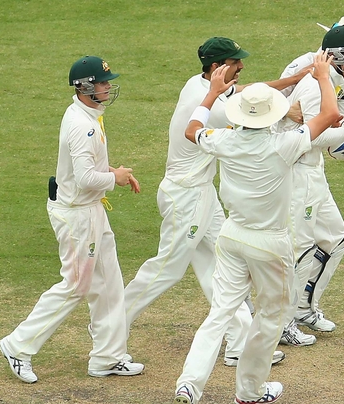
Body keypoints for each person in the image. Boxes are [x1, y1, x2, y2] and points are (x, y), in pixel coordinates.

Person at [172, 52, 341, 404]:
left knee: (218, 316)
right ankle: (249, 389)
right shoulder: (282, 144)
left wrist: (212, 93)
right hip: (269, 244)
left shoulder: (224, 140)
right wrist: (323, 75)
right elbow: (330, 115)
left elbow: (191, 129)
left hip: (231, 238)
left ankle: (188, 385)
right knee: (271, 315)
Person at [121, 37, 307, 368]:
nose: (242, 66)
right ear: (217, 68)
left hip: (203, 192)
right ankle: (110, 329)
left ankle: (238, 344)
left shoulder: (203, 84)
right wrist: (287, 109)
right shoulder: (209, 101)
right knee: (167, 270)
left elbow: (248, 92)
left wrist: (292, 80)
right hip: (186, 195)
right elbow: (251, 114)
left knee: (221, 271)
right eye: (236, 62)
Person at [0, 56, 144, 383]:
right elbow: (84, 179)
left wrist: (111, 172)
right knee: (76, 286)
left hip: (91, 211)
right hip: (77, 216)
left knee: (109, 284)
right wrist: (115, 177)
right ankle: (17, 345)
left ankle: (107, 357)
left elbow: (88, 171)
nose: (109, 87)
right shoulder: (83, 125)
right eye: (104, 82)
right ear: (86, 87)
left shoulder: (87, 115)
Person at [274, 24, 344, 346]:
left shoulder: (335, 82)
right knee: (300, 250)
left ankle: (304, 309)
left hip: (313, 170)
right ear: (335, 56)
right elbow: (317, 135)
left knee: (336, 239)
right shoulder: (312, 87)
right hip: (296, 174)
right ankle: (282, 324)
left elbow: (336, 129)